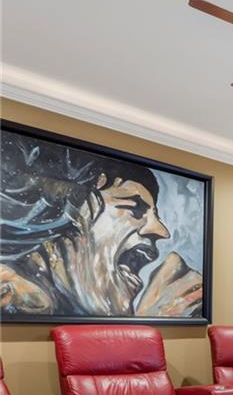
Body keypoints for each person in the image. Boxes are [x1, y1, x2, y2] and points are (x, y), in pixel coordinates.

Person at [1, 134, 200, 317]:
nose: (161, 231)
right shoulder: (11, 297)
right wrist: (154, 318)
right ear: (68, 215)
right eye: (135, 208)